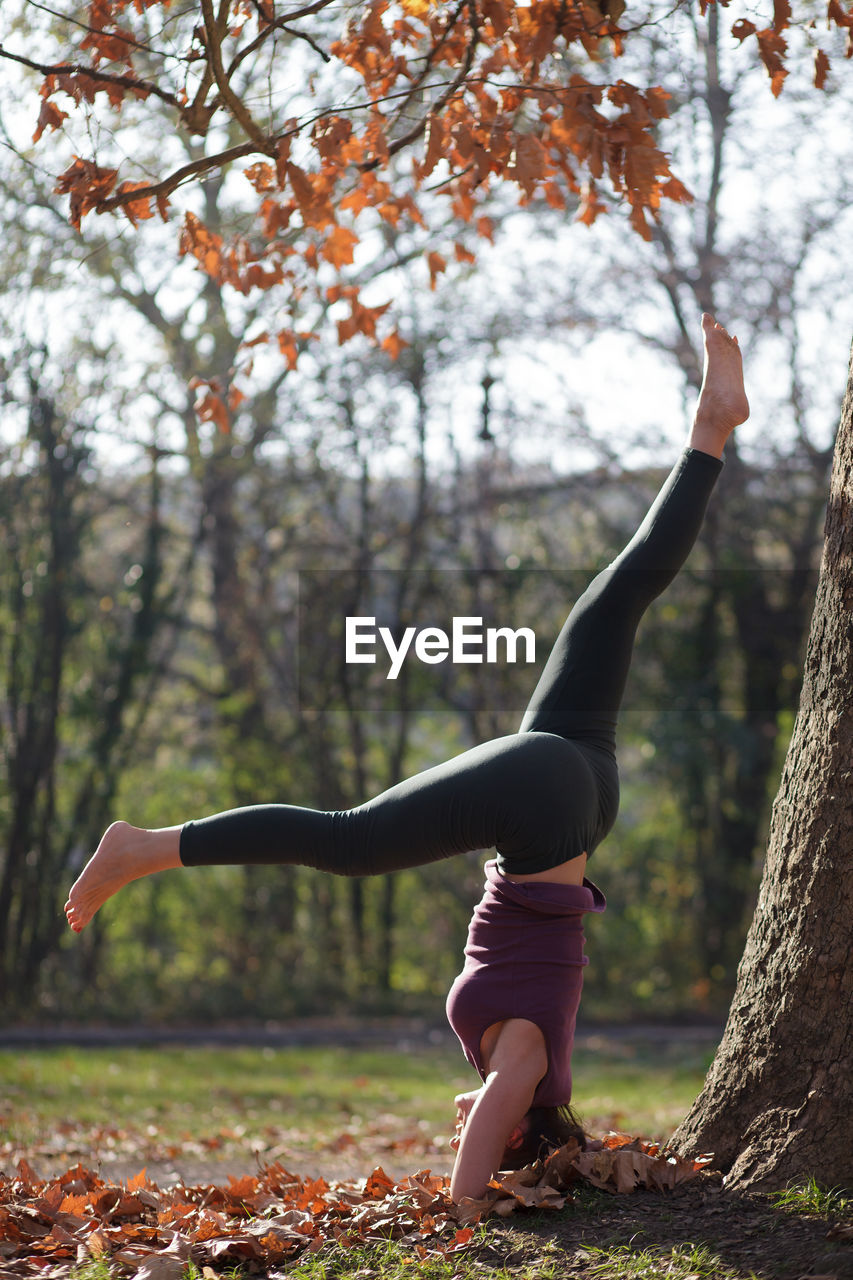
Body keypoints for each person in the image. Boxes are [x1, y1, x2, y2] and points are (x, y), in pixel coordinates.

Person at [65, 314, 749, 1203]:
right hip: (542, 811)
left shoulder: (529, 1066)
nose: (468, 1114)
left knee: (617, 598)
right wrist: (466, 1212)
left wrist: (500, 1117)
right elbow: (484, 1124)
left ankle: (710, 429)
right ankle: (145, 846)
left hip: (580, 804)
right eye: (485, 1125)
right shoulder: (529, 1072)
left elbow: (486, 1102)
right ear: (516, 1129)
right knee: (349, 840)